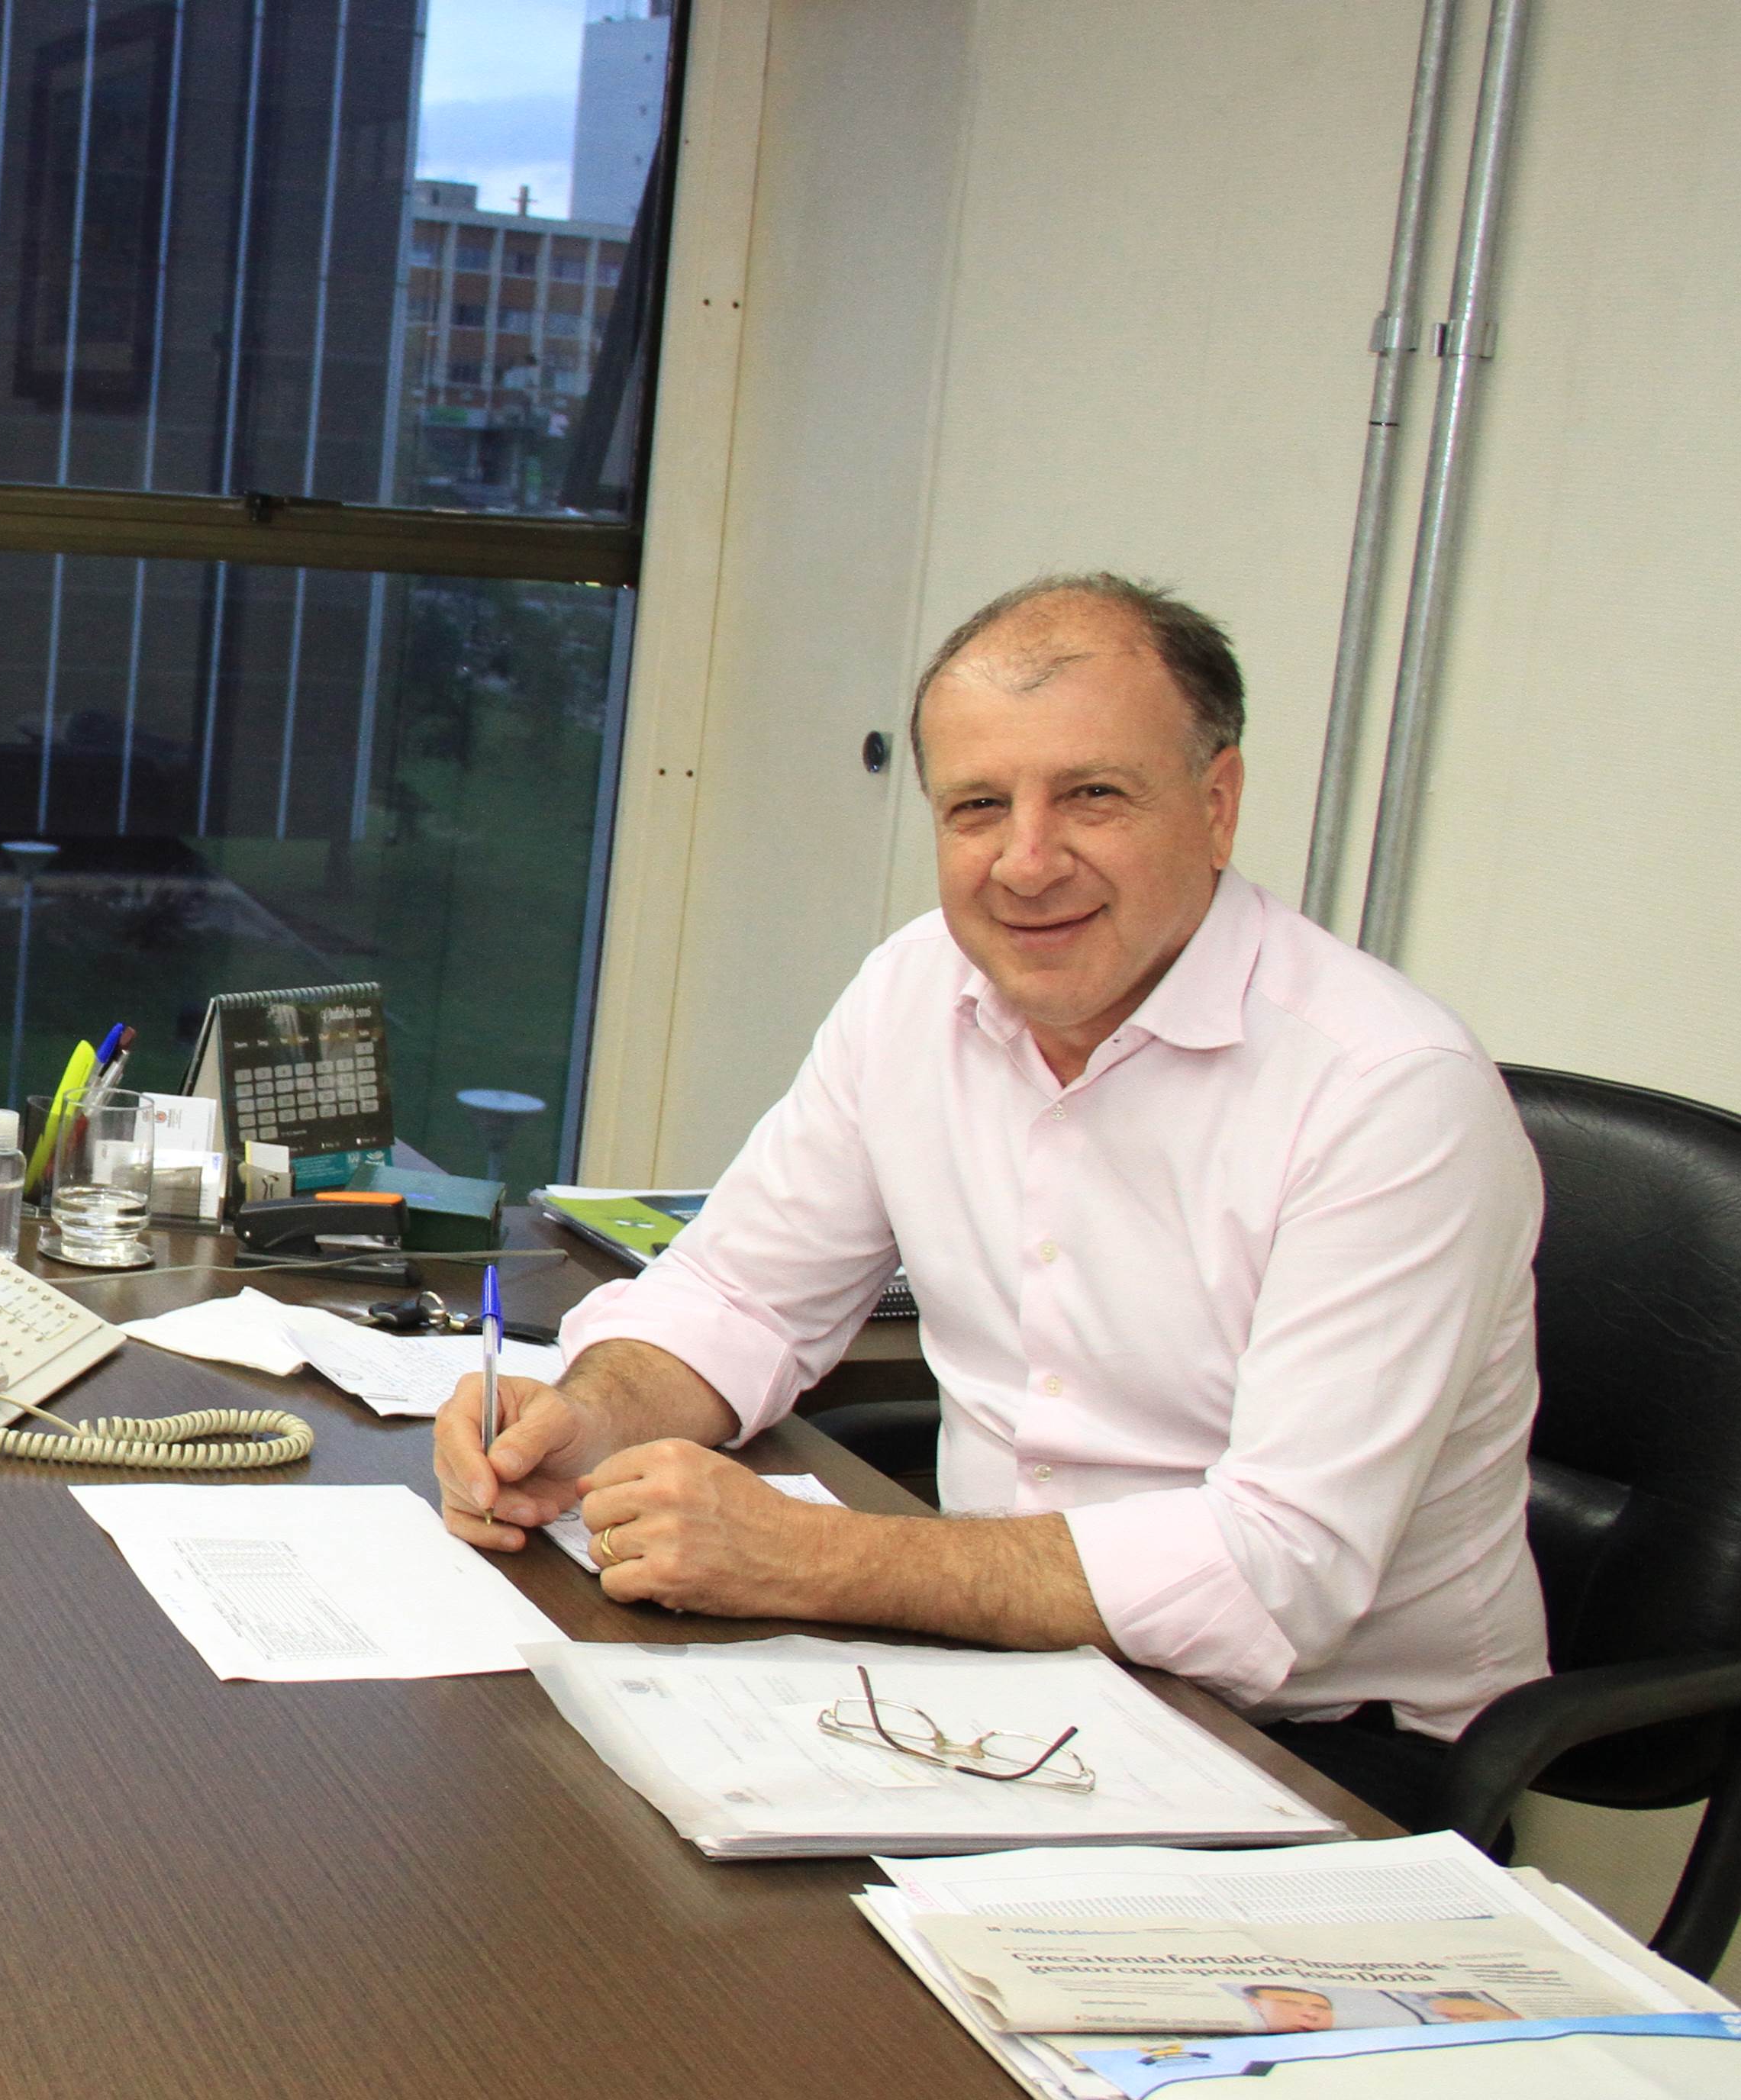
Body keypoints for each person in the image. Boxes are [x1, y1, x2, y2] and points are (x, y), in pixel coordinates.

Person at [437, 573, 1546, 1817]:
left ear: (1217, 803)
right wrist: (589, 1416)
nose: (1025, 863)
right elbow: (738, 1294)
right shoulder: (913, 990)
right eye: (977, 807)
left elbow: (1274, 1576)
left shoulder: (1387, 1092)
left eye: (1092, 795)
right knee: (555, 1817)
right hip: (1001, 1672)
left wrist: (815, 1557)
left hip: (1321, 1749)